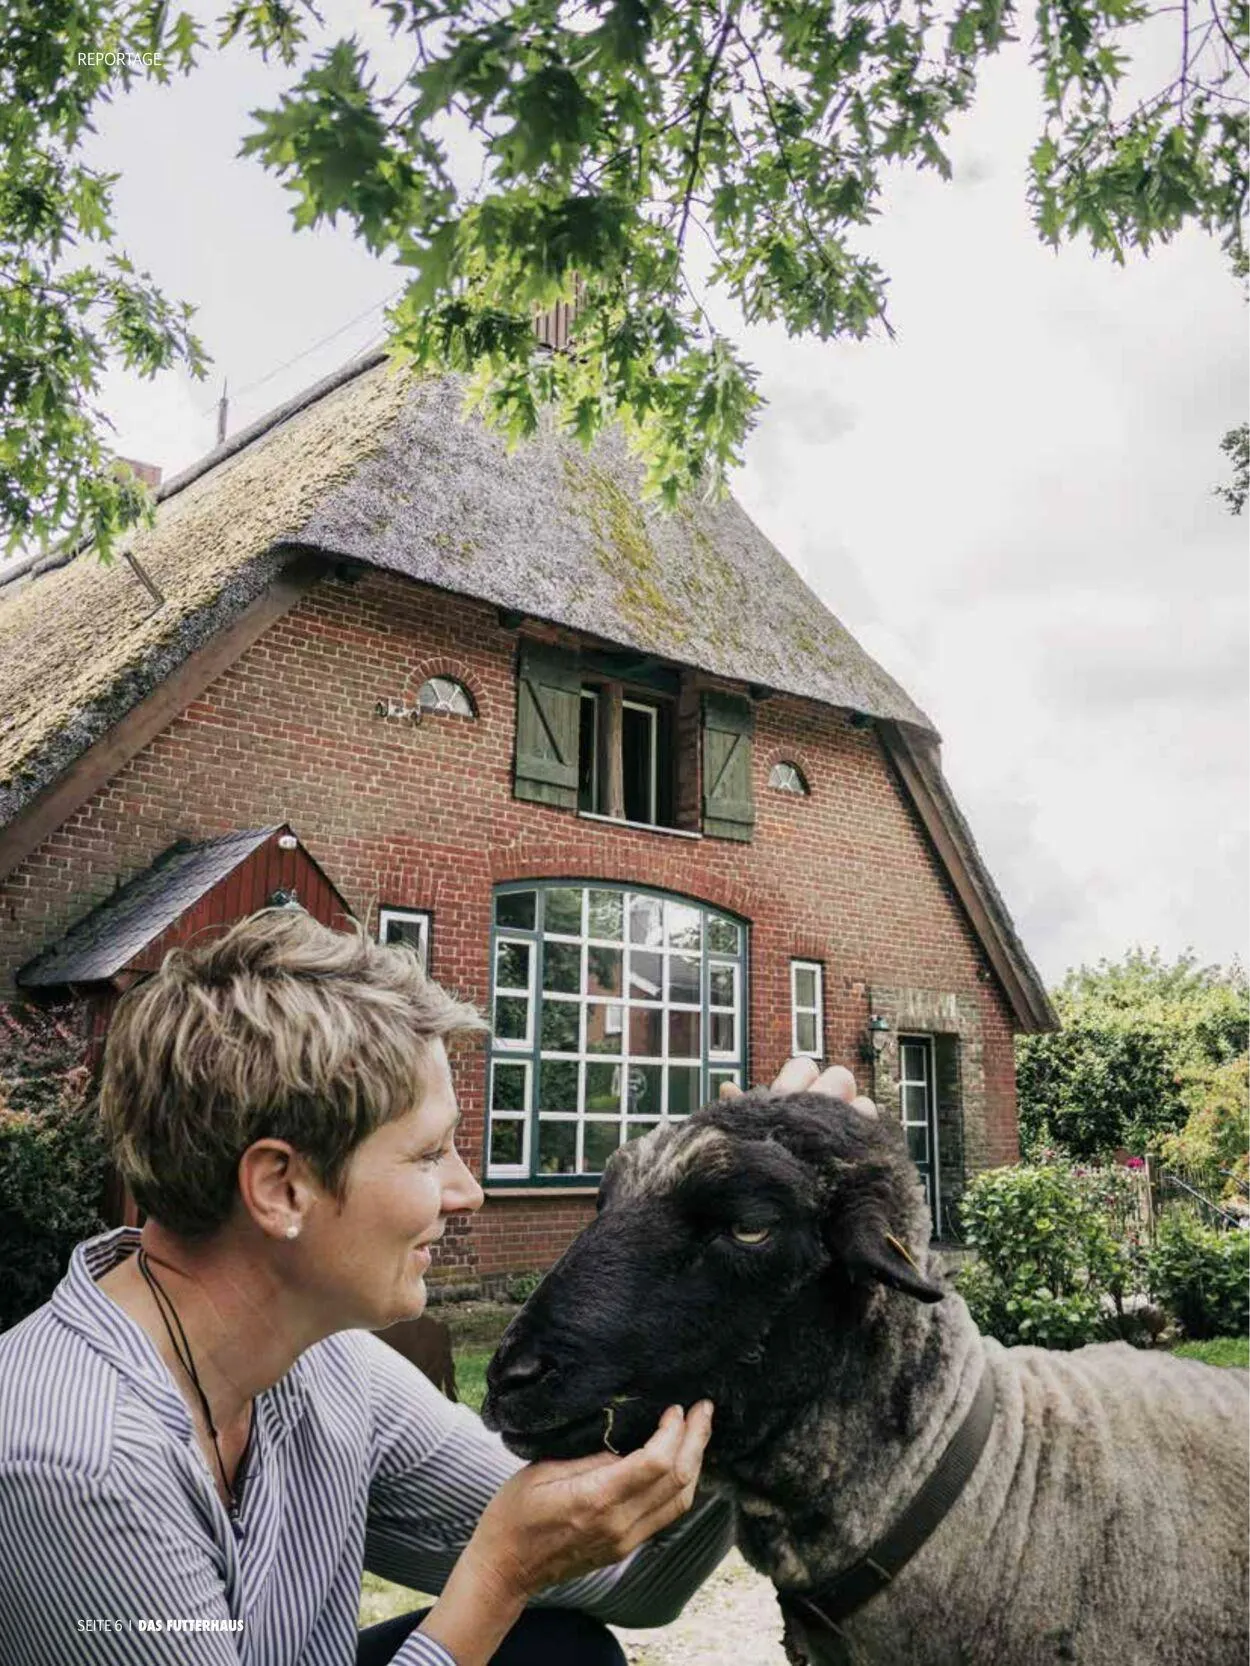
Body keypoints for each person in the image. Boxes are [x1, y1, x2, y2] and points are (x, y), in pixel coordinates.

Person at [0, 908, 869, 1665]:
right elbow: (515, 1562)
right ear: (281, 1188)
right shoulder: (78, 1466)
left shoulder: (326, 1370)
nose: (467, 1191)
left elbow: (625, 1575)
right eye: (428, 1154)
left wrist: (757, 1266)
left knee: (559, 1655)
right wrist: (496, 1577)